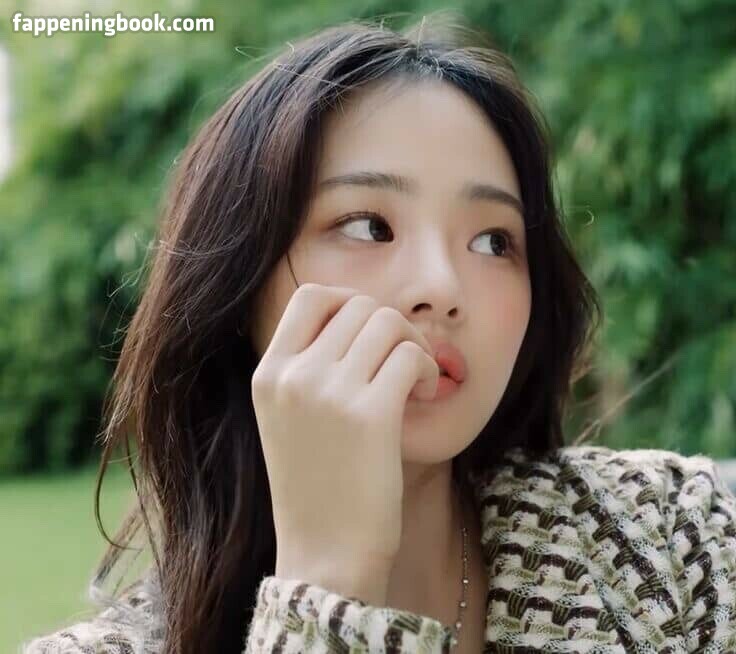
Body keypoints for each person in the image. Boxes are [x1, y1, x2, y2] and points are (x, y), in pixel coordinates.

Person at [21, 12, 736, 654]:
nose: (441, 287)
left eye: (493, 241)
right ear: (241, 285)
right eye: (367, 226)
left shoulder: (675, 534)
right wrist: (326, 589)